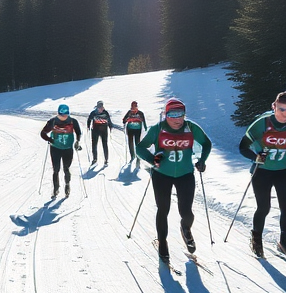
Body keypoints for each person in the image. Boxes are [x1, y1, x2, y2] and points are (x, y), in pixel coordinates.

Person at [238, 91, 286, 261]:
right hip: (262, 172)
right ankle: (257, 239)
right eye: (282, 109)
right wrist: (255, 157)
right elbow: (243, 146)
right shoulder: (262, 124)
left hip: (284, 171)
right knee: (264, 208)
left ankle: (284, 242)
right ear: (274, 106)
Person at [134, 98, 212, 261]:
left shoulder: (191, 128)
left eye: (180, 115)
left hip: (185, 174)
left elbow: (206, 143)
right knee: (163, 209)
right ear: (165, 115)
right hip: (162, 175)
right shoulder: (158, 129)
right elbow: (140, 148)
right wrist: (152, 159)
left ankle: (185, 228)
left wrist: (202, 160)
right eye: (172, 115)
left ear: (184, 114)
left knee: (186, 212)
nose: (177, 119)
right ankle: (163, 243)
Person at [39, 104, 82, 198]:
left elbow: (78, 132)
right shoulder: (53, 121)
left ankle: (67, 185)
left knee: (66, 168)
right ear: (58, 114)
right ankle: (55, 189)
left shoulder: (73, 121)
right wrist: (50, 140)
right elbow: (43, 133)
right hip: (55, 148)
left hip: (68, 148)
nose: (64, 117)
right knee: (56, 169)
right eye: (62, 115)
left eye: (66, 115)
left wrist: (77, 142)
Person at [87, 100, 116, 165]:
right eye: (99, 107)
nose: (100, 108)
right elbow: (89, 119)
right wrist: (88, 126)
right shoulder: (93, 113)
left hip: (104, 130)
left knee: (105, 144)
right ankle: (95, 159)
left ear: (103, 107)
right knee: (94, 144)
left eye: (101, 107)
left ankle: (106, 159)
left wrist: (110, 126)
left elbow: (109, 120)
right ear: (97, 107)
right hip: (95, 130)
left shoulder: (105, 113)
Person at [122, 101, 148, 165]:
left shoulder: (140, 113)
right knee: (130, 143)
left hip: (138, 130)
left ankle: (138, 157)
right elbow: (124, 121)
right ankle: (132, 156)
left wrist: (145, 127)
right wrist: (128, 119)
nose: (133, 108)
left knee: (137, 143)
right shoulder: (129, 113)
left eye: (135, 107)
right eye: (132, 107)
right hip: (130, 129)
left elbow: (144, 120)